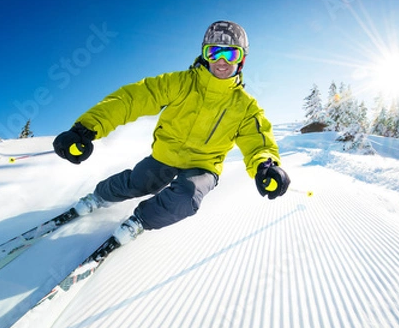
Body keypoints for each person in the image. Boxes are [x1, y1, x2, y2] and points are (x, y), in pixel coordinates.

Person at [53, 20, 290, 245]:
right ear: (205, 54)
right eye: (214, 52)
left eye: (231, 54)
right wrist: (86, 128)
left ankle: (140, 221)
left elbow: (258, 142)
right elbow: (132, 100)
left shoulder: (246, 107)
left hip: (204, 165)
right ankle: (99, 197)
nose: (221, 61)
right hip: (166, 155)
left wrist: (265, 166)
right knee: (138, 183)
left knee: (187, 197)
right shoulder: (180, 83)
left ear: (242, 60)